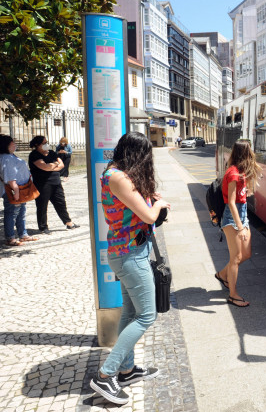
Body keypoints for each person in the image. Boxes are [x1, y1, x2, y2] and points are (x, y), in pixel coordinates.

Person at [90, 131, 170, 405]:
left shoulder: (119, 174)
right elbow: (148, 215)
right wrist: (158, 204)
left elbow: (136, 210)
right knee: (147, 316)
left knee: (132, 312)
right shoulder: (117, 177)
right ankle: (106, 374)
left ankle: (126, 369)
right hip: (129, 255)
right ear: (136, 155)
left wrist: (150, 198)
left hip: (130, 251)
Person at [214, 140, 262, 307]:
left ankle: (222, 274)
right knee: (236, 258)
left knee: (246, 254)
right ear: (246, 153)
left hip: (242, 215)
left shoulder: (241, 172)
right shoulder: (233, 173)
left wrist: (247, 190)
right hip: (232, 218)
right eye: (250, 152)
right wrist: (240, 227)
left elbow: (240, 197)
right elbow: (232, 202)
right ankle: (233, 295)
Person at [0, 134, 38, 246]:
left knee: (21, 212)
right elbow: (10, 175)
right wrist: (16, 190)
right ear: (6, 145)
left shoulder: (8, 156)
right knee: (11, 213)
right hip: (13, 190)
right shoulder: (6, 158)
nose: (14, 144)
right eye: (12, 142)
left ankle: (23, 234)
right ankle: (11, 238)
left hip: (19, 189)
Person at [28, 135, 78, 234]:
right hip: (42, 183)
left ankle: (68, 222)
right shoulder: (34, 155)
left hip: (56, 182)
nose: (46, 145)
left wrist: (51, 165)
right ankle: (43, 227)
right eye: (44, 143)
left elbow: (62, 165)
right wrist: (54, 164)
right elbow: (44, 167)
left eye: (47, 142)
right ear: (37, 145)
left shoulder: (51, 153)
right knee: (42, 205)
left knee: (61, 202)